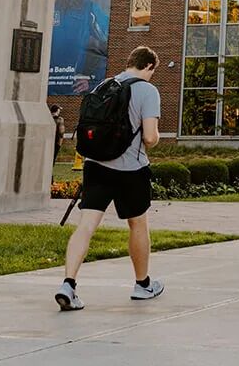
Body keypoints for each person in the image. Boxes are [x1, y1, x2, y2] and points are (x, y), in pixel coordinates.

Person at [56, 46, 163, 311]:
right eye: (153, 71)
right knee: (138, 225)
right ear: (149, 66)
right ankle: (142, 285)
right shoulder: (148, 90)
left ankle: (68, 284)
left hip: (96, 165)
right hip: (131, 169)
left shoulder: (103, 85)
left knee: (86, 226)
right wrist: (154, 138)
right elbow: (150, 137)